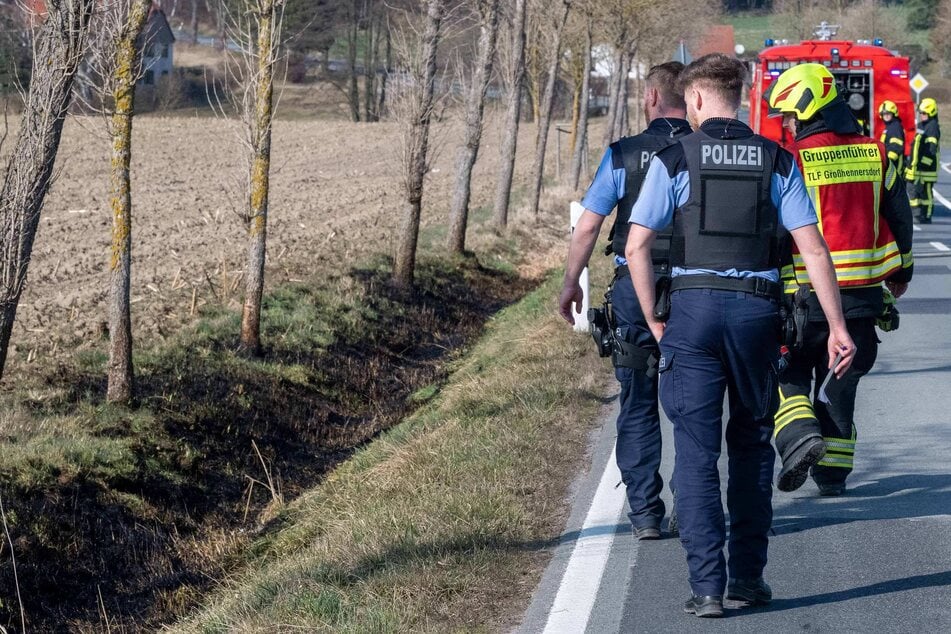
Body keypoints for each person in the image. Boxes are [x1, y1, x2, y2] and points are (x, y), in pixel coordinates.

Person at [624, 53, 856, 618]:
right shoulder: (777, 158)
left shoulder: (675, 157)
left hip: (693, 317)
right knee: (751, 449)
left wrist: (655, 319)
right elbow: (812, 246)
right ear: (743, 97)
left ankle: (707, 588)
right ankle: (748, 580)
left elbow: (635, 245)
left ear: (696, 100)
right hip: (757, 318)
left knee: (698, 455)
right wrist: (838, 327)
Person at [765, 63, 915, 496]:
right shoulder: (878, 154)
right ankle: (832, 475)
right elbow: (899, 218)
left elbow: (776, 233)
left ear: (807, 110)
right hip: (863, 303)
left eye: (790, 117)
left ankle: (798, 437)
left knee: (788, 373)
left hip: (802, 300)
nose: (788, 127)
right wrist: (902, 272)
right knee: (840, 385)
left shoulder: (791, 162)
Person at [558, 61, 690, 540]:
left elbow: (589, 225)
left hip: (636, 293)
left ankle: (645, 513)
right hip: (695, 291)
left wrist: (572, 280)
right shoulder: (702, 152)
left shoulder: (624, 153)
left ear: (652, 97)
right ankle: (692, 506)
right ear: (692, 96)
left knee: (637, 402)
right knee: (693, 403)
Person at [905, 97, 941, 223]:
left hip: (928, 167)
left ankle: (927, 215)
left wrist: (924, 163)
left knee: (927, 193)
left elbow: (931, 148)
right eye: (920, 113)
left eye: (924, 113)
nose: (922, 115)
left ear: (931, 113)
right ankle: (919, 214)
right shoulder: (921, 125)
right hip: (919, 166)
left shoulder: (932, 127)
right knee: (918, 191)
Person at [878, 100, 905, 173]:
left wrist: (887, 162)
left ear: (893, 114)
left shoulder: (895, 127)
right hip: (890, 166)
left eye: (888, 113)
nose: (886, 116)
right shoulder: (890, 126)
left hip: (894, 168)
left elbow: (896, 147)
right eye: (884, 114)